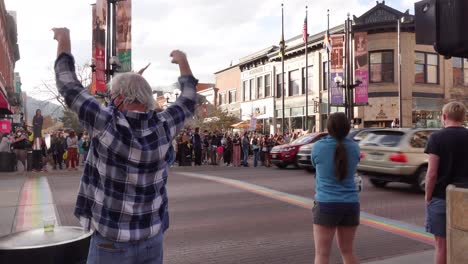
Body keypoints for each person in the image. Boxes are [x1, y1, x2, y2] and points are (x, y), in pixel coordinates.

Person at [53, 27, 196, 264]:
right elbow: (189, 98)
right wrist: (183, 61)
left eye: (112, 97)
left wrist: (64, 40)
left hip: (111, 243)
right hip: (152, 238)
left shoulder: (106, 123)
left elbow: (68, 85)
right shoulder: (165, 125)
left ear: (119, 98)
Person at [311, 112, 360, 264]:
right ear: (347, 128)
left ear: (328, 128)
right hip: (351, 204)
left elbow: (314, 164)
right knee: (348, 252)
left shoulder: (319, 146)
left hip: (326, 204)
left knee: (322, 254)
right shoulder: (355, 147)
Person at [424, 102, 468, 264]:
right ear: (463, 118)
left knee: (441, 245)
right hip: (465, 197)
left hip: (441, 197)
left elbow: (432, 173)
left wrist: (428, 196)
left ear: (443, 117)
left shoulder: (437, 138)